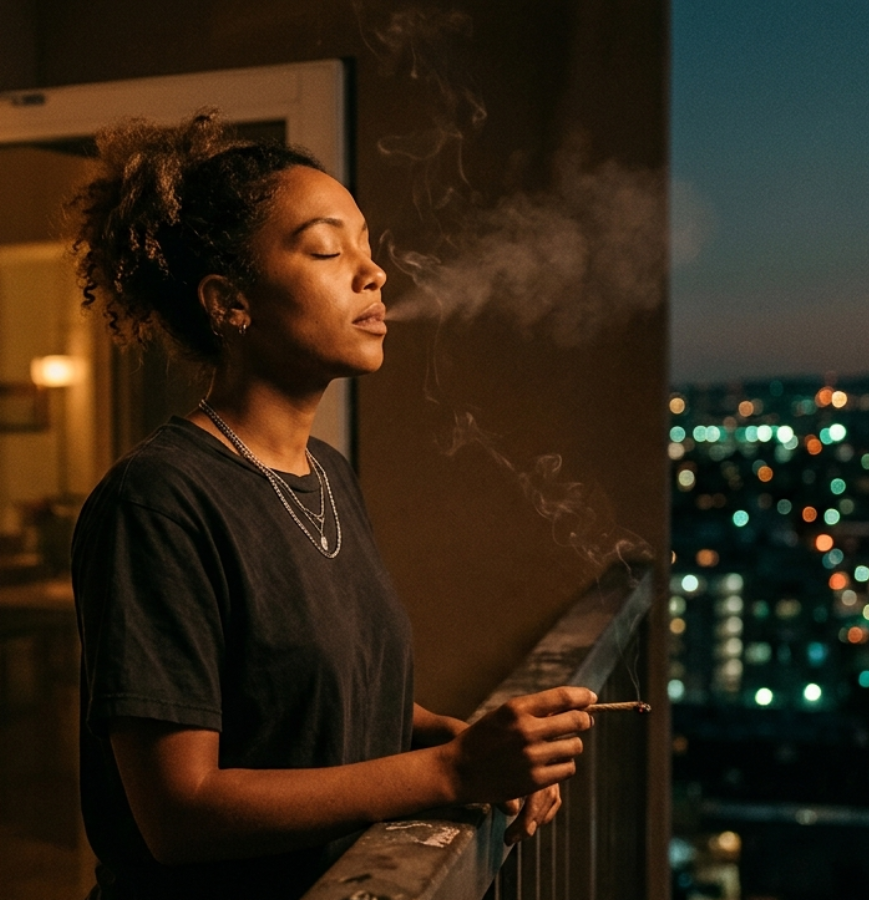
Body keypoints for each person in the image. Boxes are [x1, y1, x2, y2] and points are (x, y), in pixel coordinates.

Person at [67, 111, 594, 900]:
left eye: (366, 248)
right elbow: (179, 812)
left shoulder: (330, 477)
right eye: (325, 250)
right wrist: (449, 771)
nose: (372, 273)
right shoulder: (158, 501)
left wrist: (473, 744)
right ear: (229, 303)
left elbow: (325, 700)